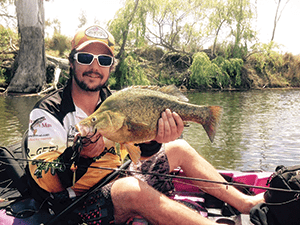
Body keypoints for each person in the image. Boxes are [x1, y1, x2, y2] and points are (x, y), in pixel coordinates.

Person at [27, 25, 264, 225]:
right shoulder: (48, 113)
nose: (94, 67)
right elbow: (46, 182)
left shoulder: (113, 102)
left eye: (104, 60)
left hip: (120, 175)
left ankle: (245, 202)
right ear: (71, 63)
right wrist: (83, 158)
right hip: (77, 206)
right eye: (85, 58)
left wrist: (155, 139)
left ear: (112, 67)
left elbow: (136, 150)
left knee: (178, 148)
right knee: (130, 188)